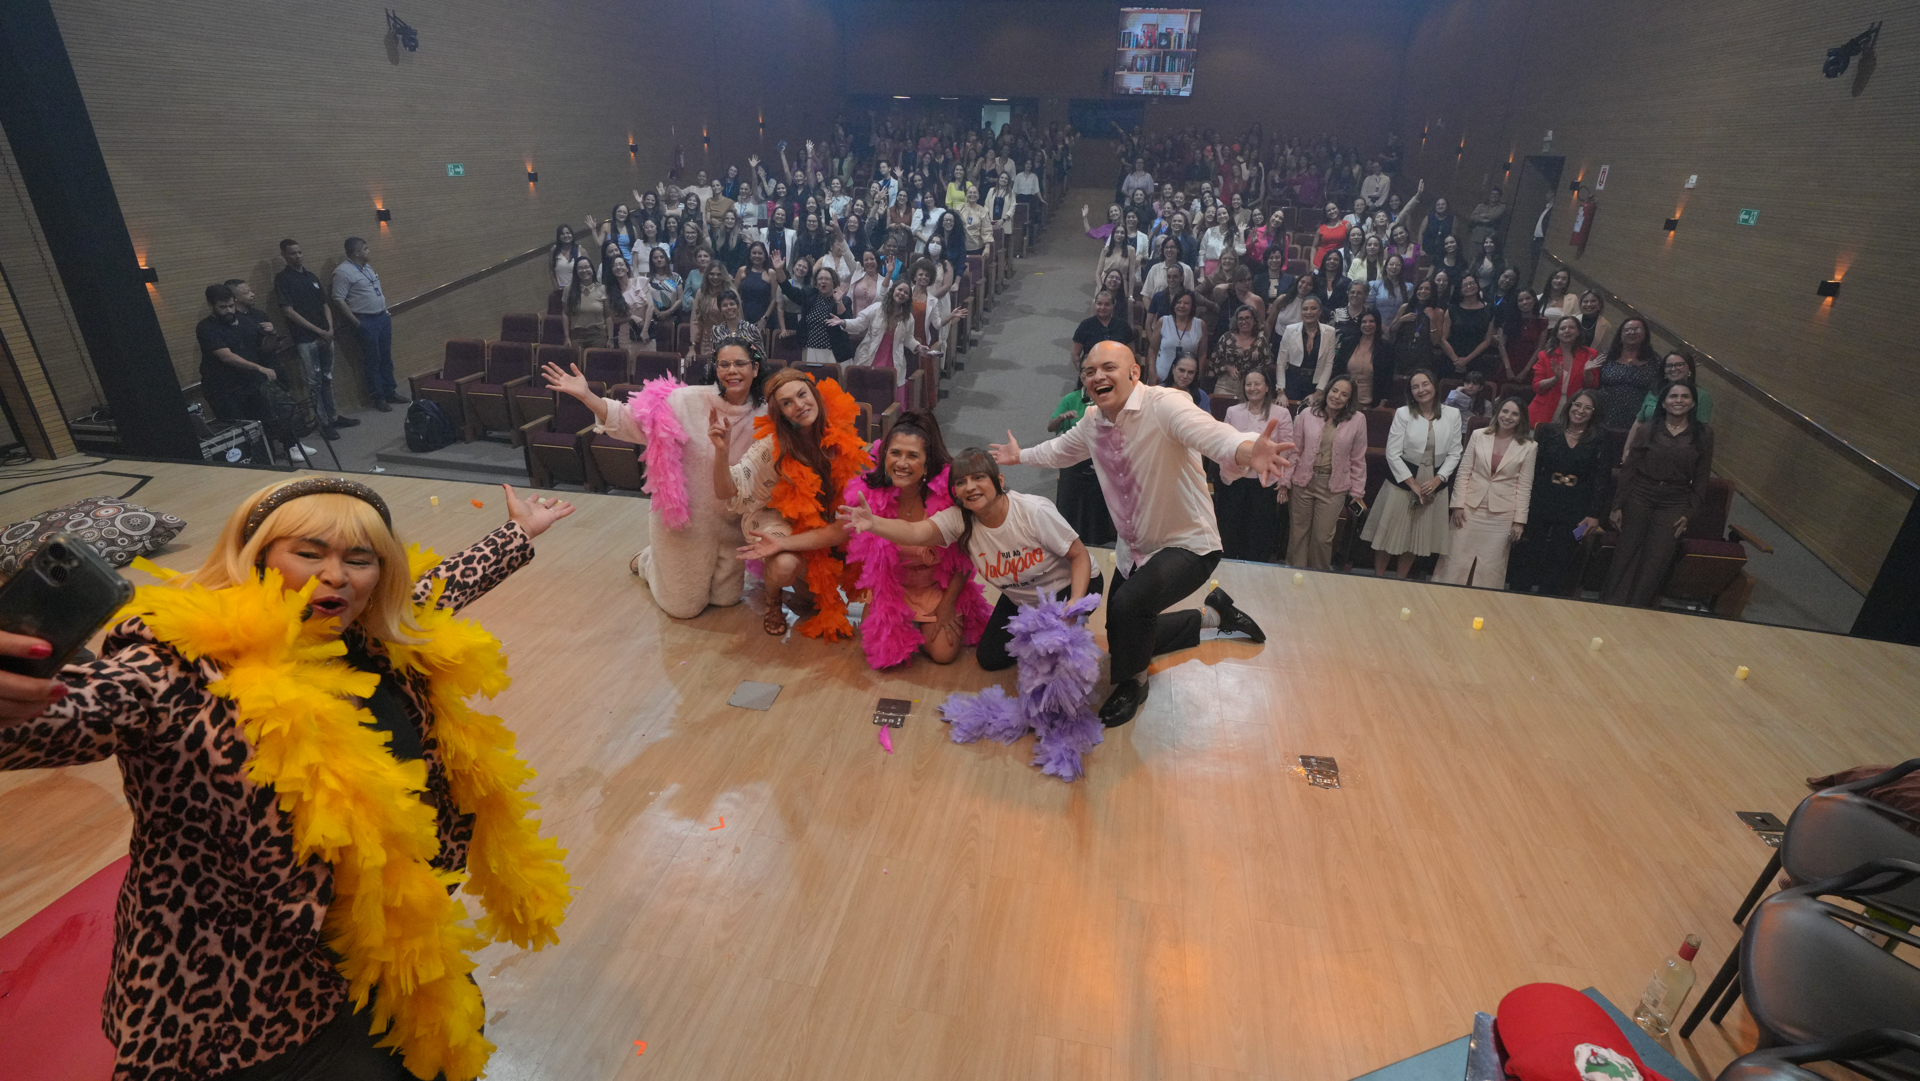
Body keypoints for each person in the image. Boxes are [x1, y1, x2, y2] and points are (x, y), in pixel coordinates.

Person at [0, 476, 574, 1081]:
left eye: (360, 560)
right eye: (309, 553)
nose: (338, 576)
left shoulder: (375, 639)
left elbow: (439, 587)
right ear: (256, 555)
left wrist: (518, 533)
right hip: (239, 983)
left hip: (390, 942)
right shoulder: (176, 666)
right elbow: (73, 712)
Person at [990, 340, 1293, 726]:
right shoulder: (1092, 421)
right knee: (1121, 636)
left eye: (1109, 367)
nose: (1097, 375)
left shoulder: (1165, 404)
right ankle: (1213, 617)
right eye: (1089, 371)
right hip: (1136, 549)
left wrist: (1250, 451)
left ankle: (1134, 685)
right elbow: (1061, 451)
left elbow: (1214, 435)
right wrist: (1021, 456)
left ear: (1135, 372)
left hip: (1190, 544)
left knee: (1129, 607)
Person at [546, 337, 764, 617]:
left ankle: (673, 565)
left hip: (732, 523)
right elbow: (630, 421)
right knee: (684, 609)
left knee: (727, 599)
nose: (732, 370)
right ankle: (649, 560)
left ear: (755, 368)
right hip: (684, 523)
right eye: (724, 364)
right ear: (715, 369)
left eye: (740, 364)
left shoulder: (767, 413)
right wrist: (587, 396)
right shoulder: (685, 400)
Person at [842, 448, 1098, 672]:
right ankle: (1038, 633)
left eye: (978, 478)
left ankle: (1064, 632)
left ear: (999, 480)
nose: (970, 487)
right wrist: (874, 523)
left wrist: (1075, 602)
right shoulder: (960, 519)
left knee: (1054, 662)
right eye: (961, 482)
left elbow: (1079, 555)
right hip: (1021, 598)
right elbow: (914, 532)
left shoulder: (1033, 511)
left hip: (1069, 588)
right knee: (989, 659)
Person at [720, 369, 872, 638]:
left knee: (812, 602)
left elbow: (842, 527)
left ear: (814, 394)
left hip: (827, 526)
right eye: (786, 403)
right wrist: (720, 453)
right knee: (785, 566)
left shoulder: (841, 435)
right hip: (778, 519)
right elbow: (729, 491)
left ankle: (802, 585)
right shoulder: (772, 446)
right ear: (781, 414)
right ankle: (773, 598)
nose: (798, 405)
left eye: (802, 394)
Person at [840, 414, 991, 668]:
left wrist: (947, 605)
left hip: (938, 588)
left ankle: (920, 626)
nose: (901, 463)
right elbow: (839, 532)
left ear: (926, 463)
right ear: (884, 455)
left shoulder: (948, 496)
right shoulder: (871, 498)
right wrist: (784, 543)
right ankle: (910, 625)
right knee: (883, 659)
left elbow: (964, 558)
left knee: (943, 654)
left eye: (912, 456)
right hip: (893, 590)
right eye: (895, 453)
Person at [1604, 381, 1715, 607]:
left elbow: (1702, 476)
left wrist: (1690, 512)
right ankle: (1611, 604)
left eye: (1685, 396)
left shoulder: (1703, 434)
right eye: (1673, 396)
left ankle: (1639, 608)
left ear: (1693, 402)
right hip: (1641, 495)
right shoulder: (1648, 429)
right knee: (1626, 552)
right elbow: (1630, 469)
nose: (1679, 401)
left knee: (1657, 557)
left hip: (1675, 501)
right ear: (1663, 403)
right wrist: (1617, 506)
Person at [1364, 369, 1462, 577]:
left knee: (1415, 537)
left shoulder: (1452, 414)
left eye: (1425, 384)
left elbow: (1455, 453)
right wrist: (1413, 485)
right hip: (1403, 479)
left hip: (1434, 481)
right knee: (1388, 534)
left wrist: (1438, 479)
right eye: (1415, 387)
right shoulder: (1403, 413)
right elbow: (1392, 453)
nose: (1421, 390)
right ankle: (1378, 578)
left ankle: (1401, 580)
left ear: (1434, 385)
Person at [1509, 390, 1607, 595]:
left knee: (1562, 554)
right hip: (1542, 497)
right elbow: (1533, 470)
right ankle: (1518, 594)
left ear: (1594, 413)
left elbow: (1601, 478)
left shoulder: (1600, 439)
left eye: (1588, 408)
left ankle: (1550, 598)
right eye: (1577, 405)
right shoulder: (1548, 432)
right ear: (1569, 406)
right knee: (1529, 549)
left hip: (1576, 504)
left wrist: (1594, 514)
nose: (1581, 411)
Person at [1433, 395, 1535, 588]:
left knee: (1490, 567)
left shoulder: (1529, 447)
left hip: (1502, 516)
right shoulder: (1479, 435)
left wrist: (1519, 521)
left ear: (1521, 418)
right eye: (1505, 411)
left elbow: (1524, 486)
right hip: (1469, 509)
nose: (1508, 417)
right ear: (1497, 412)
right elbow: (1464, 472)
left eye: (1514, 414)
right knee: (1455, 559)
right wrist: (1457, 505)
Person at [1286, 374, 1368, 571]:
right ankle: (1293, 577)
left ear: (1350, 399)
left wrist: (1357, 493)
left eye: (1344, 394)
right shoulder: (1307, 414)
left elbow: (1358, 459)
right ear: (1327, 391)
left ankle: (1318, 580)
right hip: (1303, 482)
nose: (1337, 397)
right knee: (1298, 535)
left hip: (1333, 487)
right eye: (1335, 391)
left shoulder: (1358, 420)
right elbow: (1295, 450)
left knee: (1322, 539)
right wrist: (1285, 479)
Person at [274, 239, 356, 437]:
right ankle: (322, 421)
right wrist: (318, 331)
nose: (298, 256)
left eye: (300, 252)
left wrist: (328, 328)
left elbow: (325, 304)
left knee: (327, 378)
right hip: (306, 338)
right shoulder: (283, 279)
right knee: (314, 382)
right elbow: (289, 311)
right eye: (293, 253)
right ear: (284, 256)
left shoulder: (311, 276)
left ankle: (334, 416)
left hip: (326, 335)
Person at [1215, 368, 1291, 562]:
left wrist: (1284, 482)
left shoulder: (1281, 413)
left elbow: (1288, 450)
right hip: (1236, 479)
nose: (1252, 388)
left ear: (1267, 387)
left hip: (1265, 481)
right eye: (1248, 384)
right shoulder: (1233, 411)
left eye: (1257, 384)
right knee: (1231, 527)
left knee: (1258, 530)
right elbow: (1224, 443)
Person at [330, 237, 405, 411]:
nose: (369, 251)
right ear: (356, 252)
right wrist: (356, 322)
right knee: (373, 359)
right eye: (366, 248)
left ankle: (390, 391)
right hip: (365, 320)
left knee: (386, 357)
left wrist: (384, 311)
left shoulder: (367, 267)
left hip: (381, 318)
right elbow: (338, 299)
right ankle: (378, 397)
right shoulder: (343, 272)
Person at [197, 283, 279, 425]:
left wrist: (272, 334)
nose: (228, 310)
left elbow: (265, 348)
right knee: (240, 428)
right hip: (223, 388)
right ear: (211, 305)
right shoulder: (206, 327)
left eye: (231, 306)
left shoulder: (245, 321)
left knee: (266, 422)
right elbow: (226, 356)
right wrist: (259, 368)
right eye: (222, 307)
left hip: (248, 383)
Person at [1047, 386, 1117, 546]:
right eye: (1089, 372)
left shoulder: (1109, 400)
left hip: (1098, 464)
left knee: (1095, 513)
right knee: (1068, 509)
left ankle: (1095, 548)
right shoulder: (1071, 399)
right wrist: (1061, 418)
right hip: (1071, 464)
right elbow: (1050, 427)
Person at [1623, 351, 1714, 458]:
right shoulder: (1655, 391)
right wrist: (1627, 449)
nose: (1673, 368)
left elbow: (1701, 431)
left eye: (1679, 364)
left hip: (1680, 454)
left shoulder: (1702, 396)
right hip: (1646, 449)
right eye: (1669, 366)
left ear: (1690, 369)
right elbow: (1639, 421)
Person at [1594, 316, 1658, 463]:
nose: (1631, 332)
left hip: (1636, 426)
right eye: (1627, 329)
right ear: (1620, 335)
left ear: (1645, 334)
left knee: (1627, 463)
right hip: (1603, 421)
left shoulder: (1654, 360)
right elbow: (1593, 383)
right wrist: (1586, 372)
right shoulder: (1607, 355)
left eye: (1636, 329)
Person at [1527, 315, 1601, 426]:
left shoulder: (1590, 354)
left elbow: (1592, 386)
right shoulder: (1545, 355)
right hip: (1544, 409)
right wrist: (1555, 378)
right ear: (1557, 334)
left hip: (1575, 410)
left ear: (1578, 332)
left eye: (1571, 327)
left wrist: (1588, 373)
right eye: (1562, 328)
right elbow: (1537, 386)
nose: (1567, 331)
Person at [1276, 296, 1335, 403]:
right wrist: (1280, 391)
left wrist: (1319, 392)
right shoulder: (1290, 330)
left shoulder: (1330, 332)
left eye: (1313, 308)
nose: (1309, 312)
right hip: (1292, 383)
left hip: (1315, 385)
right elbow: (1281, 362)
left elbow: (1328, 364)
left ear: (1320, 311)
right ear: (1301, 311)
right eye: (1305, 309)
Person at [1333, 308, 1389, 407]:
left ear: (1378, 323)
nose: (1367, 325)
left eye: (1371, 321)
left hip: (1371, 402)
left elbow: (1386, 378)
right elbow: (1337, 370)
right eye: (1364, 322)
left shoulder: (1385, 347)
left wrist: (1382, 403)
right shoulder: (1347, 343)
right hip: (1345, 400)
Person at [1149, 289, 1206, 384]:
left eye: (1186, 303)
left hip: (1186, 379)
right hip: (1161, 376)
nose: (1182, 306)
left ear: (1192, 306)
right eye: (1178, 302)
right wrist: (1152, 372)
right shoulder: (1163, 322)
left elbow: (1202, 354)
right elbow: (1152, 350)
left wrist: (1197, 375)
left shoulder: (1200, 325)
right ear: (1174, 304)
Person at [1444, 274, 1497, 376]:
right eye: (1465, 285)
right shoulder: (1452, 309)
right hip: (1452, 359)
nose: (1469, 287)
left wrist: (1466, 360)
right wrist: (1456, 360)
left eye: (1472, 283)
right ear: (1460, 290)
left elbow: (1487, 340)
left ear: (1477, 285)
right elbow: (1443, 339)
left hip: (1476, 359)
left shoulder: (1489, 309)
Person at [1072, 289, 1137, 371]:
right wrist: (1084, 373)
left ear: (1113, 305)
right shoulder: (1085, 325)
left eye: (1107, 304)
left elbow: (1130, 353)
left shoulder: (1123, 326)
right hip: (1092, 374)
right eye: (1099, 304)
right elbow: (1075, 354)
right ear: (1095, 304)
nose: (1102, 307)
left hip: (1117, 373)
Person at [563, 256, 607, 348]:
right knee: (577, 361)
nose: (584, 270)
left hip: (598, 333)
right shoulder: (569, 289)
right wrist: (567, 337)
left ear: (592, 269)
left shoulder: (602, 289)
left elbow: (609, 315)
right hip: (577, 334)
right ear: (576, 271)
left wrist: (610, 338)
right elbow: (565, 314)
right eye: (580, 268)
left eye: (587, 267)